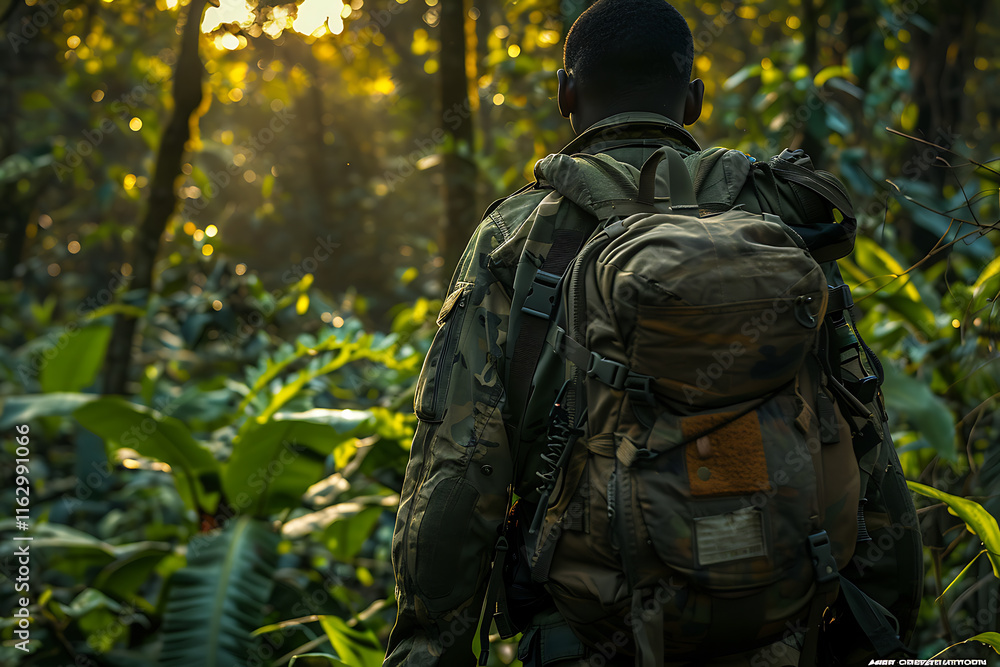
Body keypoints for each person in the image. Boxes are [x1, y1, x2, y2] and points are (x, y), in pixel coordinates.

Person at [383, 2, 908, 665]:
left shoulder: (517, 236)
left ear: (565, 93)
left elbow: (459, 469)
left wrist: (430, 649)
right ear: (692, 100)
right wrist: (883, 632)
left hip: (588, 636)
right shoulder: (772, 218)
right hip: (775, 631)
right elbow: (863, 429)